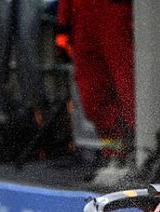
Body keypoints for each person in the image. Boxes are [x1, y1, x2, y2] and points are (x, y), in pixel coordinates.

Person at [55, 0, 135, 175]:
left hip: (115, 12)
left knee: (127, 89)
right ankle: (114, 155)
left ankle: (138, 155)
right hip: (83, 17)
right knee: (93, 96)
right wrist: (63, 23)